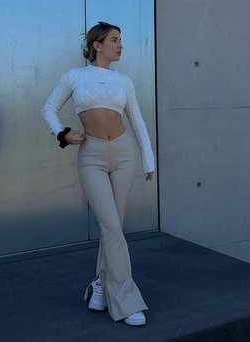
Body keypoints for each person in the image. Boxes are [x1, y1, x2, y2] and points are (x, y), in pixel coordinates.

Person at [42, 21, 155, 326]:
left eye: (121, 40)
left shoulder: (124, 81)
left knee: (113, 227)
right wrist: (63, 133)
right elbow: (49, 108)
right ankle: (126, 300)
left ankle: (102, 284)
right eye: (114, 40)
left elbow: (137, 120)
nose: (120, 45)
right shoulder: (75, 76)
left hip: (123, 153)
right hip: (91, 156)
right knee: (111, 226)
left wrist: (148, 159)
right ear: (97, 45)